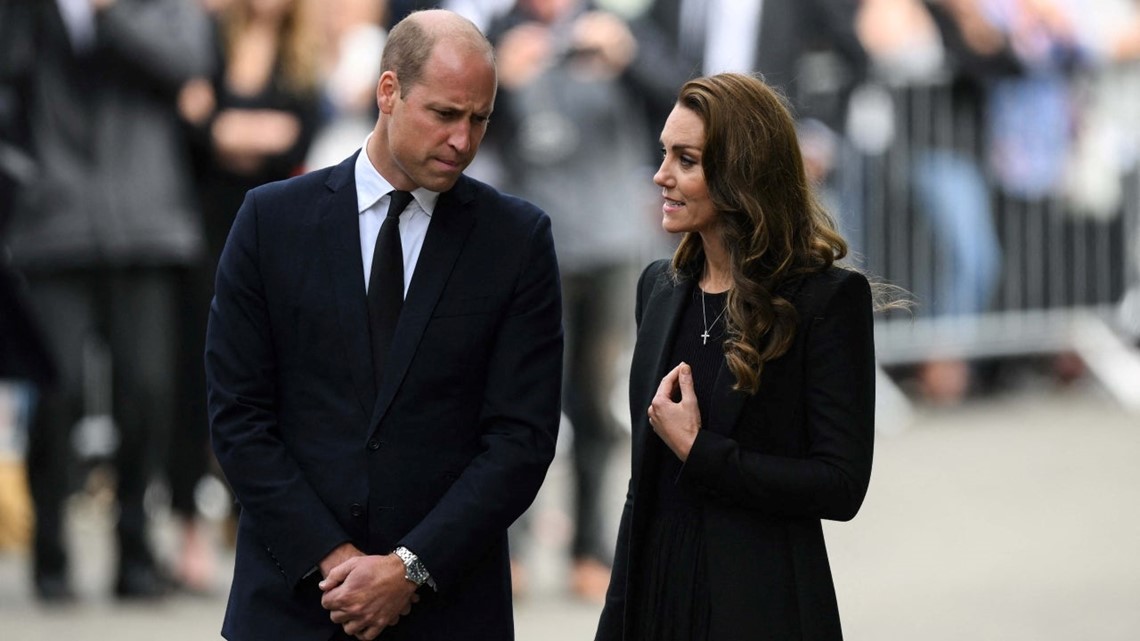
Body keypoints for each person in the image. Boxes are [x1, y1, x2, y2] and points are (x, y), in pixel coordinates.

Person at [205, 9, 563, 641]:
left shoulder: (517, 239)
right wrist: (334, 562)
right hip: (292, 603)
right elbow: (238, 415)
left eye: (480, 119)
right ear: (388, 91)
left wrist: (410, 569)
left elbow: (521, 439)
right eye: (446, 114)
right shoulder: (271, 221)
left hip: (448, 608)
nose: (463, 140)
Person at [596, 73, 879, 640]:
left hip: (762, 601)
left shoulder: (824, 299)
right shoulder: (658, 289)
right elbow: (640, 487)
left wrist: (704, 453)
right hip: (658, 594)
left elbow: (840, 485)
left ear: (739, 172)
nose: (661, 175)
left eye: (686, 159)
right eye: (663, 154)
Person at [1, 0, 214, 602]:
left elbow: (189, 61)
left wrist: (111, 14)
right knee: (57, 392)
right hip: (52, 230)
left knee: (146, 392)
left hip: (147, 228)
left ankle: (137, 553)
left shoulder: (160, 9)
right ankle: (49, 553)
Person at [485, 0, 653, 602]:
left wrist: (626, 58)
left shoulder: (609, 26)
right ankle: (510, 549)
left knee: (596, 410)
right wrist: (500, 80)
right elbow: (470, 128)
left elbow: (679, 101)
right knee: (524, 405)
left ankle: (590, 546)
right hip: (535, 252)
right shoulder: (502, 35)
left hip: (607, 248)